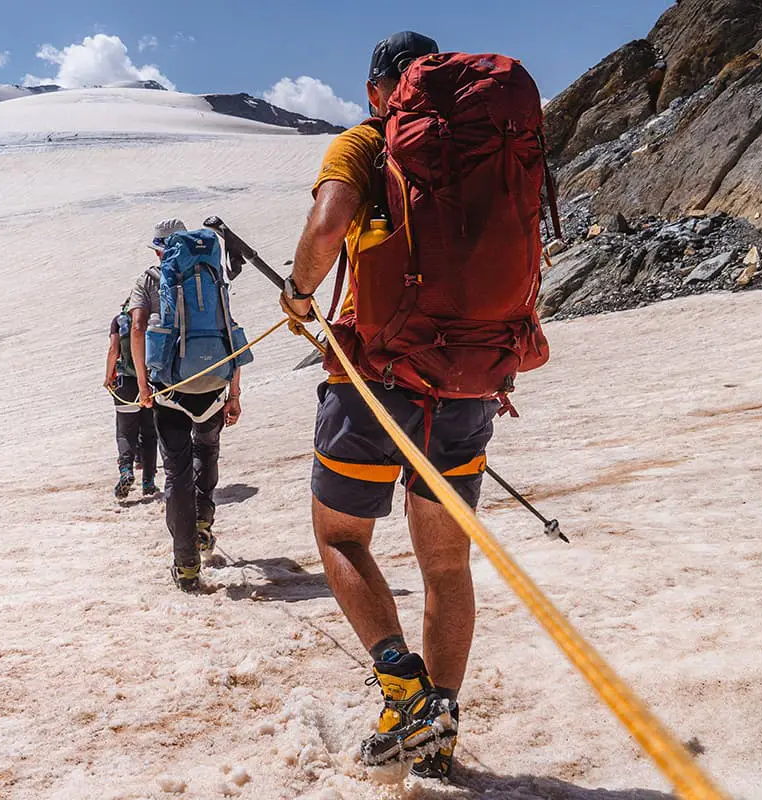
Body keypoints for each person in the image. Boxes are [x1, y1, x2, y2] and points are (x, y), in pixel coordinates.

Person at [280, 31, 550, 782]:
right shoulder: (495, 141)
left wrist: (300, 294)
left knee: (340, 537)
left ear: (379, 91)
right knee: (446, 561)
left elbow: (329, 226)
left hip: (375, 380)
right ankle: (444, 722)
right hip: (469, 381)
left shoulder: (366, 144)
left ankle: (405, 694)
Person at [130, 218, 244, 593]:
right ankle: (203, 521)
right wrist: (234, 393)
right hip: (214, 383)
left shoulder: (149, 279)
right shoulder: (210, 272)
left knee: (176, 472)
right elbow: (229, 327)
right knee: (207, 449)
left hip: (171, 389)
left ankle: (187, 564)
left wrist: (144, 386)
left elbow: (137, 329)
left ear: (160, 248)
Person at [106, 300, 160, 500]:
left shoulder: (118, 322)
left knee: (125, 431)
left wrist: (107, 376)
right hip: (148, 383)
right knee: (149, 433)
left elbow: (113, 349)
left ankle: (126, 470)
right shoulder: (151, 319)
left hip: (125, 384)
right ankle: (149, 482)